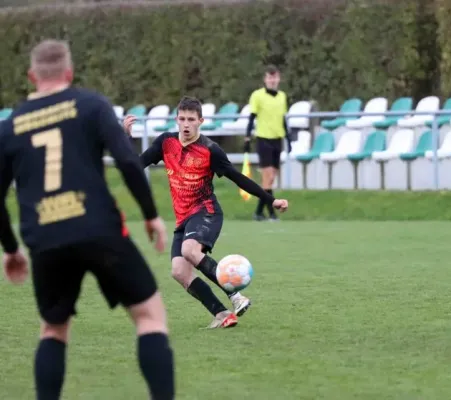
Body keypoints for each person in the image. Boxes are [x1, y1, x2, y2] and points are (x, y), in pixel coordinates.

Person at [0, 40, 174, 399]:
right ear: (70, 72)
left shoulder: (11, 125)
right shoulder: (92, 105)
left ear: (32, 76)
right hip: (99, 230)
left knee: (52, 329)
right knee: (149, 317)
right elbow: (127, 160)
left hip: (46, 239)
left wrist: (12, 249)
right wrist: (151, 215)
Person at [123, 96, 288, 329]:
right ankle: (222, 314)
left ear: (201, 121)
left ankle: (235, 296)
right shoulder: (165, 143)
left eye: (191, 119)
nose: (186, 124)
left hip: (206, 212)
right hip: (183, 219)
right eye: (182, 119)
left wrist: (271, 200)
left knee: (189, 250)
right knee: (179, 272)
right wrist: (127, 139)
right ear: (176, 120)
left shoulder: (210, 150)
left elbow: (237, 177)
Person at [243, 65, 292, 221]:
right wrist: (247, 137)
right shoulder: (257, 96)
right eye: (269, 77)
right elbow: (251, 117)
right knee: (267, 177)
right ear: (265, 79)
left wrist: (288, 138)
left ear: (278, 79)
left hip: (277, 139)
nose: (272, 80)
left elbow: (283, 119)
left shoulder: (282, 97)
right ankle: (271, 212)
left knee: (270, 179)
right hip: (264, 139)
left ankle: (259, 212)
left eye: (275, 77)